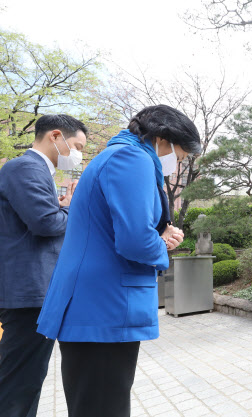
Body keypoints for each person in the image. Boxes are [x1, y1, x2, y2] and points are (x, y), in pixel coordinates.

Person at [36, 105, 200, 417]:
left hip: (96, 307)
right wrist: (161, 244)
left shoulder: (122, 157)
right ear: (163, 139)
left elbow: (120, 229)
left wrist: (157, 234)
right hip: (103, 308)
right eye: (179, 157)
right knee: (103, 408)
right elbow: (135, 240)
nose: (177, 165)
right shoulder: (131, 159)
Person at [0, 114, 87, 417]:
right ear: (55, 136)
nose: (79, 154)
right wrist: (74, 206)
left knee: (26, 379)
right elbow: (46, 223)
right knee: (20, 383)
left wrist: (61, 206)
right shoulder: (25, 167)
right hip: (29, 293)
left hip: (33, 292)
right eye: (77, 146)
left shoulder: (35, 171)